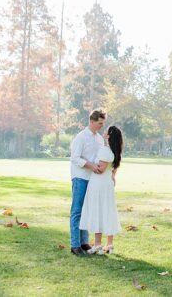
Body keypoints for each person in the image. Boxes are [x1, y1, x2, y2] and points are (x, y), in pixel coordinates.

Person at [79, 125, 123, 255]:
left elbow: (100, 169)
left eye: (106, 132)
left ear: (109, 136)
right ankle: (109, 244)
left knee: (98, 210)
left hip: (99, 184)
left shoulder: (105, 150)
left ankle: (98, 245)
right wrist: (113, 176)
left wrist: (86, 162)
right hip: (107, 184)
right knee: (108, 211)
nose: (104, 133)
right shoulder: (115, 152)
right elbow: (113, 169)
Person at [69, 109, 106, 256]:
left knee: (86, 211)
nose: (101, 126)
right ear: (91, 121)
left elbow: (99, 157)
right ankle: (75, 244)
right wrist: (91, 165)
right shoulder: (81, 137)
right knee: (77, 211)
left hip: (93, 179)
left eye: (103, 123)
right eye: (99, 123)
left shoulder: (99, 139)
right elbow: (75, 158)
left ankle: (84, 242)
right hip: (80, 177)